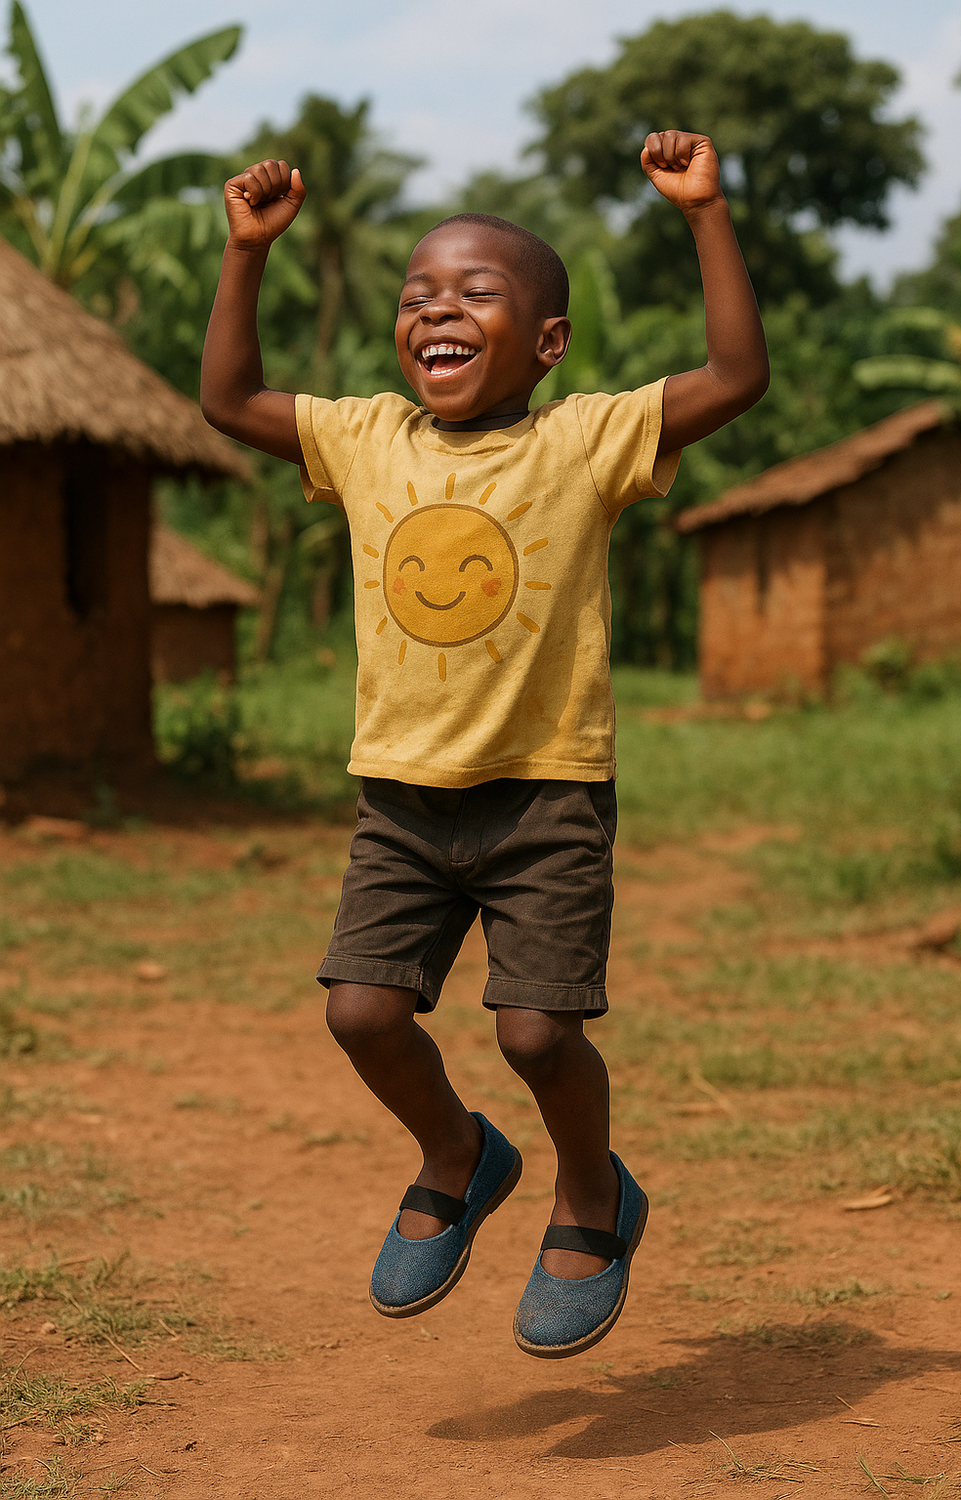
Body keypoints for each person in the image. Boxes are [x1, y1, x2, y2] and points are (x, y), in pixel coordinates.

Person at [201, 130, 768, 1359]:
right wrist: (246, 253)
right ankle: (459, 1153)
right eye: (417, 296)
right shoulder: (365, 438)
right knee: (362, 1015)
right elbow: (230, 402)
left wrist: (704, 214)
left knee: (537, 1034)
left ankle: (591, 1195)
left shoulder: (584, 440)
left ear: (547, 342)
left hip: (544, 797)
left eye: (474, 292)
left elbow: (734, 375)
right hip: (400, 801)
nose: (437, 309)